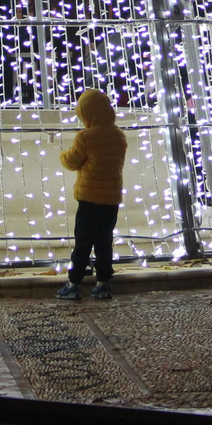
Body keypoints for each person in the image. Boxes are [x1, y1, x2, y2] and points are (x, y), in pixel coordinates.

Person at [56, 88, 128, 299]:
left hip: (89, 199)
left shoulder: (85, 137)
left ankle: (74, 283)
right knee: (105, 241)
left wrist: (62, 154)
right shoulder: (119, 136)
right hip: (111, 199)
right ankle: (104, 282)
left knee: (83, 241)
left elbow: (71, 161)